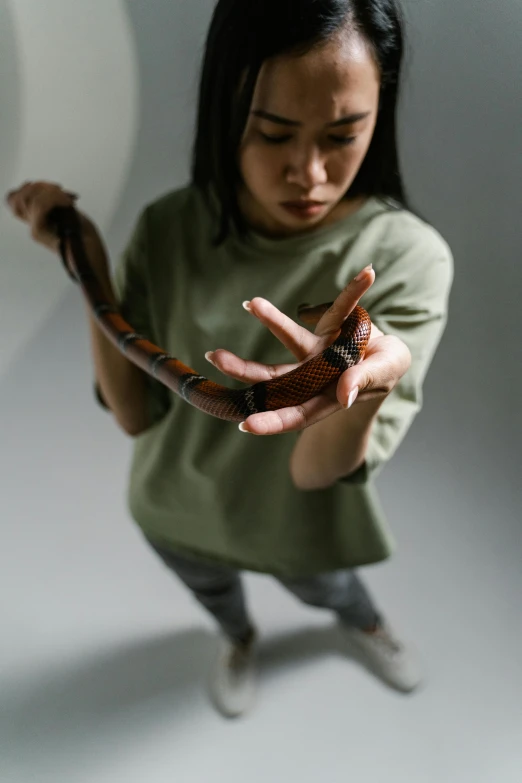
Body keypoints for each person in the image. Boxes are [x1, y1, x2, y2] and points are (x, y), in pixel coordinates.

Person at [6, 0, 453, 719]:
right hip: (174, 510)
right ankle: (238, 635)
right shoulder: (169, 227)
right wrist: (85, 257)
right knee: (212, 590)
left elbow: (313, 469)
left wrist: (361, 382)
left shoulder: (409, 259)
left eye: (344, 134)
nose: (308, 171)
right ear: (225, 110)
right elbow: (134, 413)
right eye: (273, 133)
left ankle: (365, 624)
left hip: (302, 525)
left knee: (334, 588)